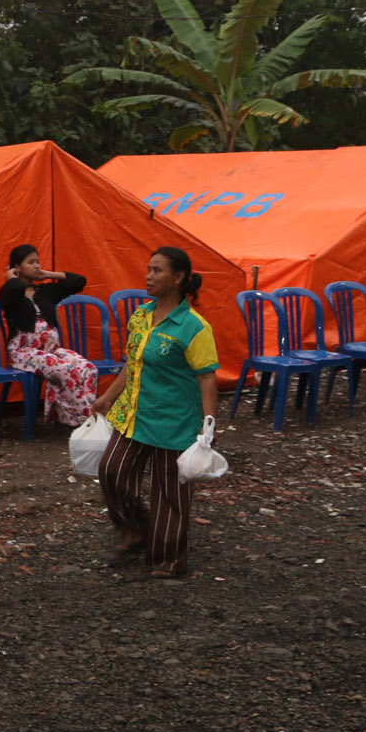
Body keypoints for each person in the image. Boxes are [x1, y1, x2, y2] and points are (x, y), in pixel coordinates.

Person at [91, 247, 219, 579]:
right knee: (111, 471)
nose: (148, 277)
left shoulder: (194, 326)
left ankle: (168, 559)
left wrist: (208, 425)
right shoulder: (141, 316)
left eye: (157, 271)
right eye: (148, 269)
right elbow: (133, 363)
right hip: (134, 414)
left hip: (175, 421)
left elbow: (206, 377)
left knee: (169, 493)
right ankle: (134, 529)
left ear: (178, 278)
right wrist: (107, 397)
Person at [0, 244, 97, 427]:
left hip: (52, 351)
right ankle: (86, 420)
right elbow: (14, 287)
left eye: (38, 262)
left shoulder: (45, 292)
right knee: (65, 369)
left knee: (88, 368)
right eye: (30, 262)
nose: (36, 265)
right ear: (17, 267)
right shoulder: (11, 293)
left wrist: (48, 274)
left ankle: (74, 416)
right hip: (23, 352)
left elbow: (78, 281)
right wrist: (11, 277)